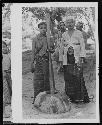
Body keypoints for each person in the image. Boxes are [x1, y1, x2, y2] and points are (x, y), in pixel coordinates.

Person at [59, 15, 90, 103]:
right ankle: (71, 98)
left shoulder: (78, 33)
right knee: (68, 78)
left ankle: (80, 98)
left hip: (76, 57)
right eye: (68, 22)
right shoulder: (64, 34)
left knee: (78, 77)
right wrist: (61, 61)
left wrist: (81, 58)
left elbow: (82, 46)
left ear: (74, 23)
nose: (70, 24)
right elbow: (61, 48)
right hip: (67, 59)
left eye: (71, 22)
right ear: (65, 24)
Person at [31, 22, 55, 103]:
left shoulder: (49, 38)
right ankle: (37, 98)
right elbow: (33, 52)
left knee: (46, 79)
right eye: (41, 28)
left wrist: (50, 50)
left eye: (45, 28)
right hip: (38, 61)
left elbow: (53, 49)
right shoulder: (35, 39)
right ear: (39, 29)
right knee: (38, 79)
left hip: (46, 61)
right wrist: (32, 63)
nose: (43, 29)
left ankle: (46, 99)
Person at [2, 41, 12, 118]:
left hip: (9, 74)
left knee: (10, 90)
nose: (3, 48)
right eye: (2, 47)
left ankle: (9, 107)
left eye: (4, 47)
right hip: (3, 75)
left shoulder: (9, 55)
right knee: (5, 92)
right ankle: (4, 112)